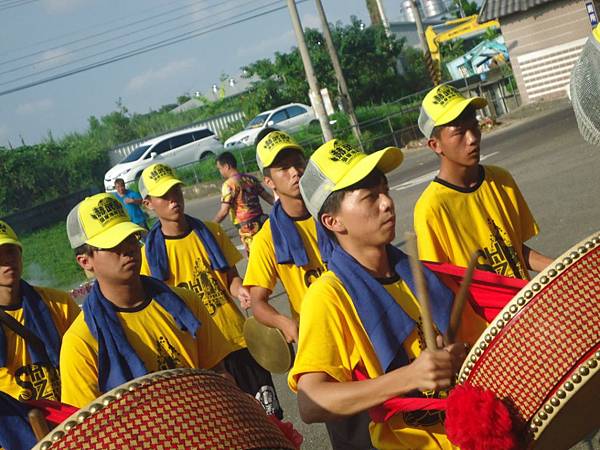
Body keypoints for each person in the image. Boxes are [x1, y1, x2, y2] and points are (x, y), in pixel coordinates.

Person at [290, 140, 487, 450]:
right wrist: (410, 377)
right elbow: (310, 402)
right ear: (333, 221)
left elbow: (476, 342)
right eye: (370, 197)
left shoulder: (419, 274)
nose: (386, 203)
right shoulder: (328, 295)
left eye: (385, 190)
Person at [243, 131, 374, 450]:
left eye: (297, 162)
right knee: (353, 439)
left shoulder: (334, 212)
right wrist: (288, 325)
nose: (294, 172)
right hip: (325, 349)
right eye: (282, 168)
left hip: (368, 333)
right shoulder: (267, 238)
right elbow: (258, 302)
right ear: (269, 181)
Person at [60, 193, 236, 408]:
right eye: (113, 244)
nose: (127, 249)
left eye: (130, 238)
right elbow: (88, 431)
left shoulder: (185, 303)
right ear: (85, 261)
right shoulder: (81, 343)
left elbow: (218, 373)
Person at [138, 163, 282, 418]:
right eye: (164, 196)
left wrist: (240, 291)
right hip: (204, 356)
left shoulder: (211, 232)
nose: (174, 200)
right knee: (234, 427)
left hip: (237, 339)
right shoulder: (148, 257)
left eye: (176, 191)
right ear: (148, 203)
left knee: (270, 420)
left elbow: (230, 279)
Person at [414, 84, 552, 279]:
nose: (472, 139)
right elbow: (440, 281)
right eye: (459, 132)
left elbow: (514, 250)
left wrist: (559, 267)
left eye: (474, 127)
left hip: (523, 304)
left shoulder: (500, 180)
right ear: (435, 145)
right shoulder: (431, 208)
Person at [0, 220, 79, 402]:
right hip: (18, 425)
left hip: (71, 412)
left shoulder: (60, 304)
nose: (7, 260)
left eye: (11, 251)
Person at [212, 151, 274, 254]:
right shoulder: (251, 179)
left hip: (247, 228)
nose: (220, 171)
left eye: (220, 168)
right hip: (262, 222)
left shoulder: (229, 185)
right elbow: (268, 198)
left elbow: (224, 211)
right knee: (269, 252)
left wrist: (211, 225)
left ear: (226, 166)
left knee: (256, 258)